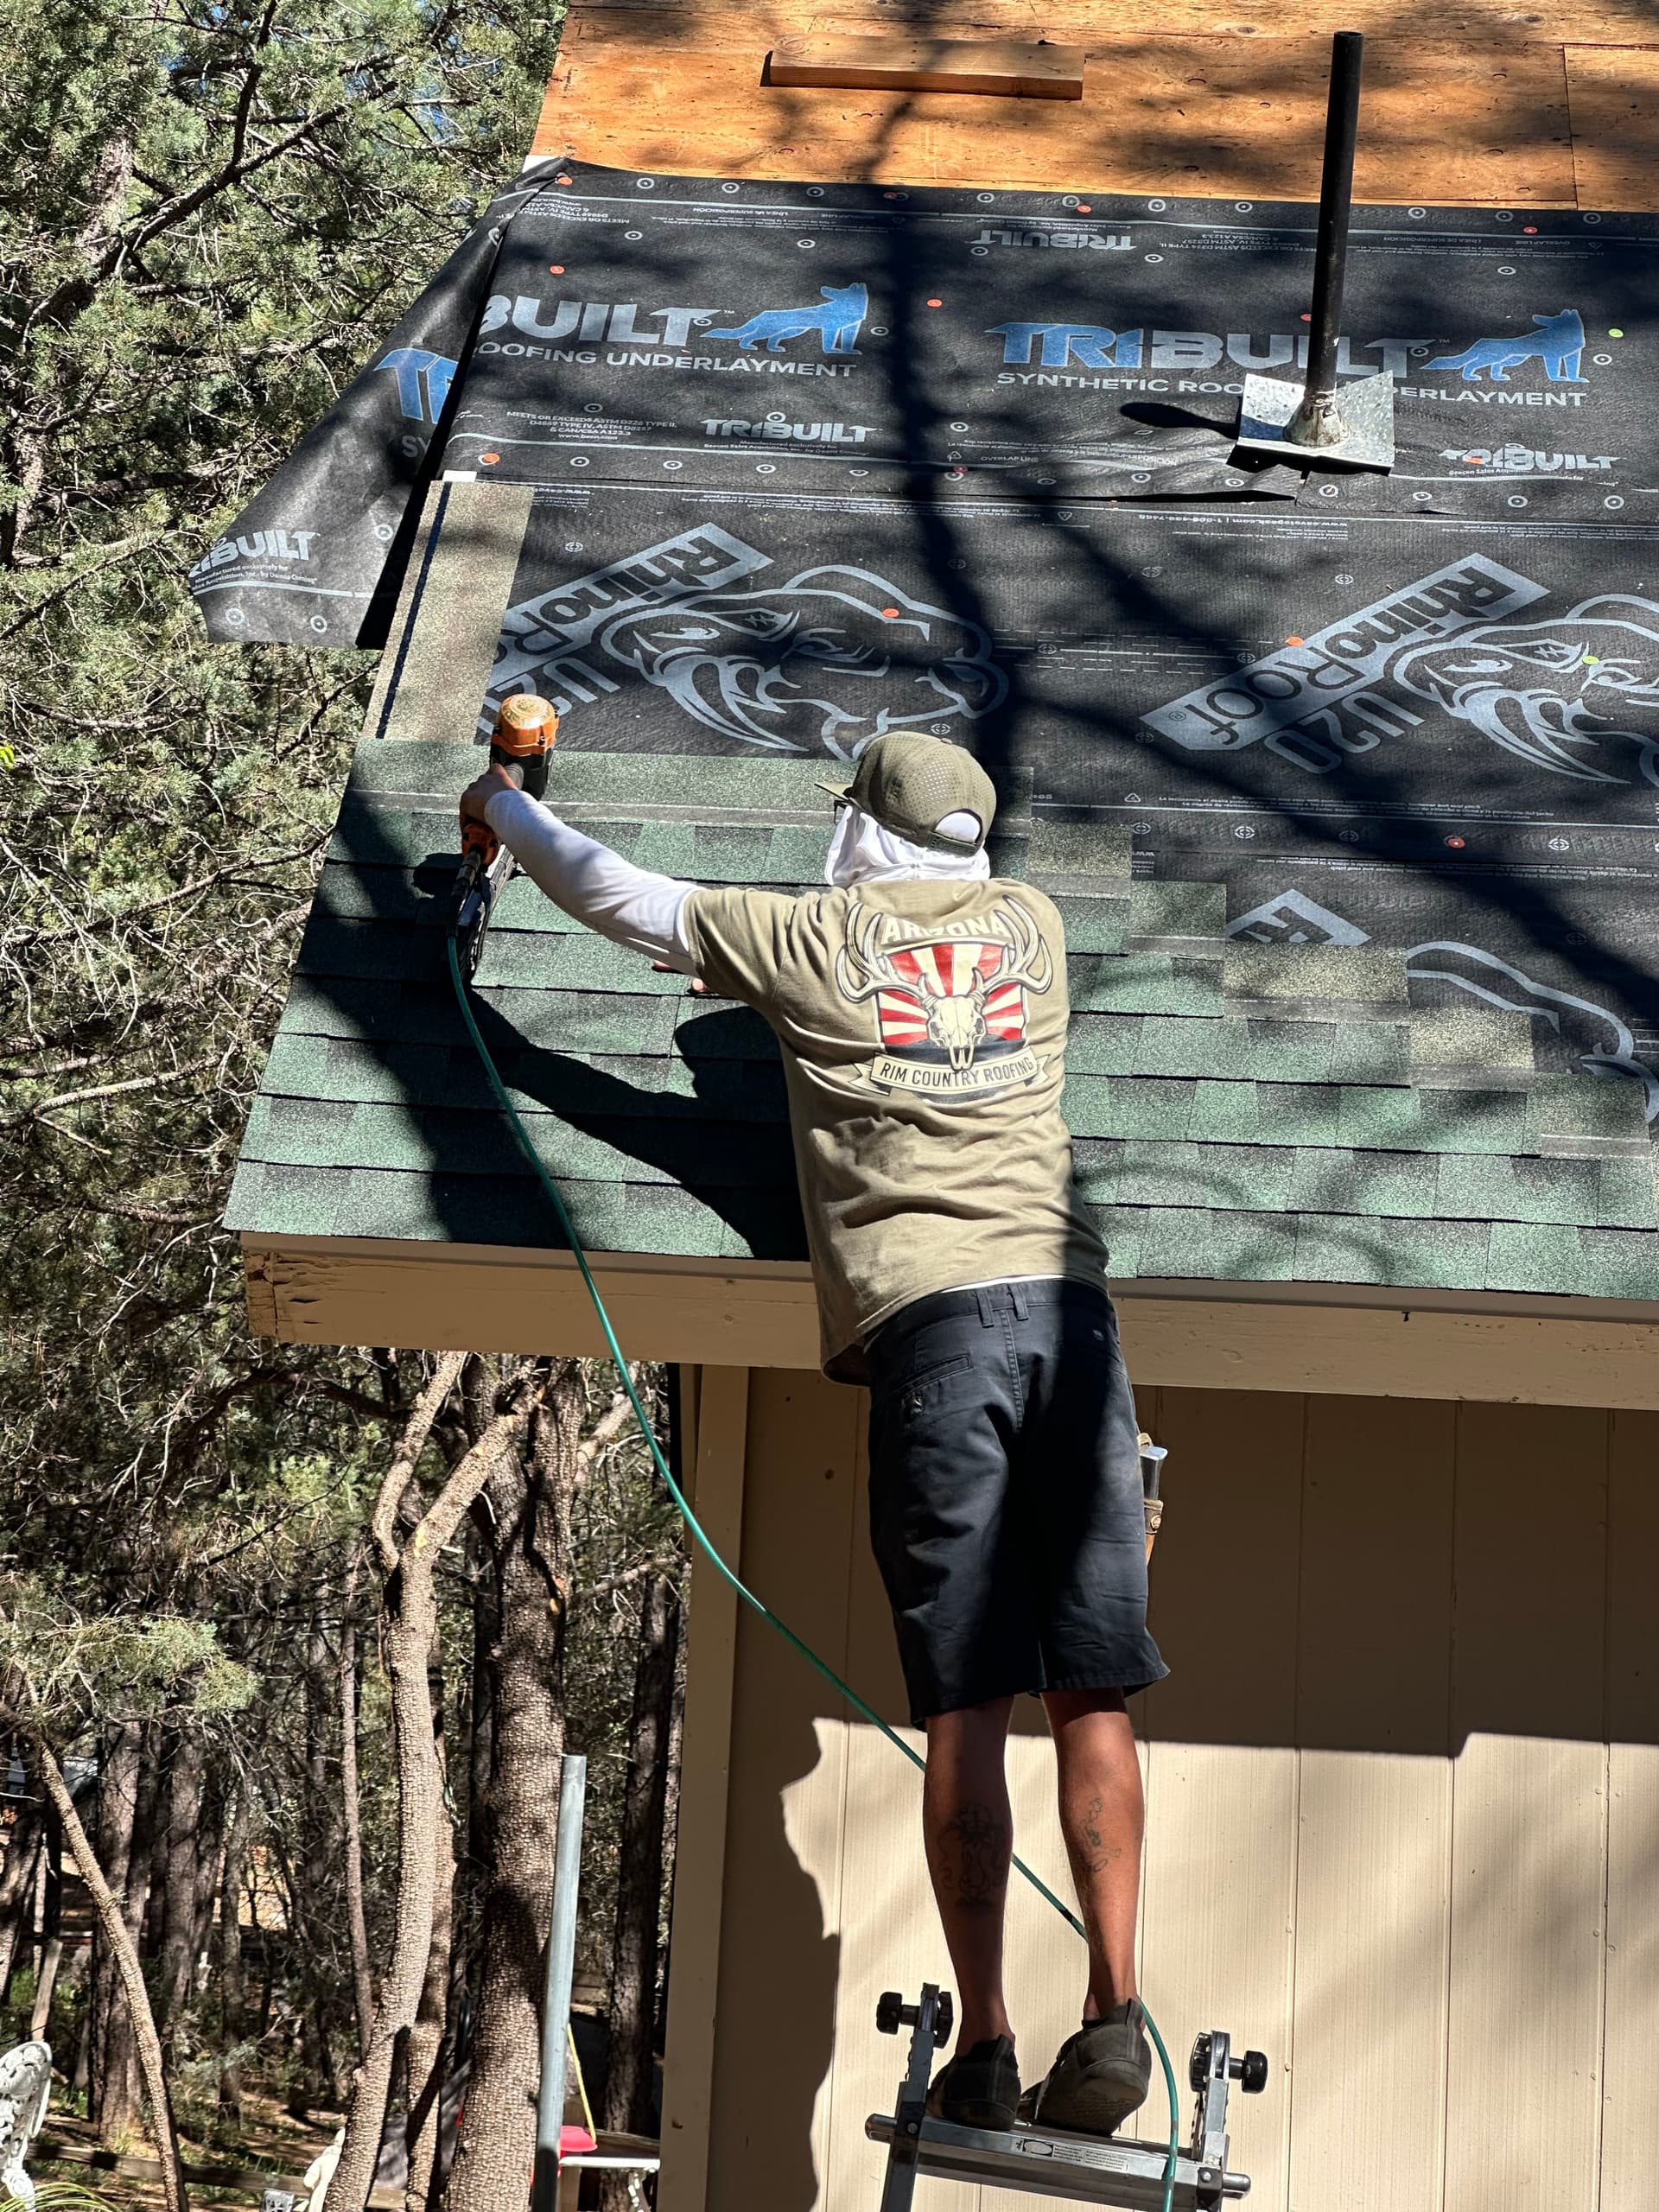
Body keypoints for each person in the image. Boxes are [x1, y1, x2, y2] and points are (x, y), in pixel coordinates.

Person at [460, 727, 1167, 2137]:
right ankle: (1118, 2005)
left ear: (862, 832)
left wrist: (499, 806)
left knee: (970, 1699)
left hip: (940, 1331)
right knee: (1092, 1690)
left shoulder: (814, 941)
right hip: (1078, 1325)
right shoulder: (1034, 922)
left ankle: (985, 2040)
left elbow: (623, 897)